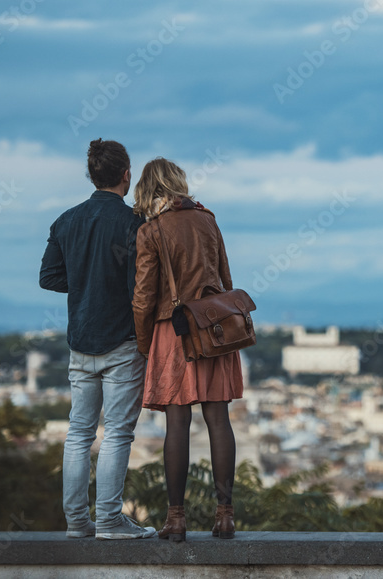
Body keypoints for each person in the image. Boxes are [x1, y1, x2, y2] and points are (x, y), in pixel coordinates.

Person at [39, 139, 156, 540]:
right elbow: (139, 289)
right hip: (121, 341)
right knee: (118, 433)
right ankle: (108, 520)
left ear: (92, 175)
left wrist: (86, 282)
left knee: (79, 432)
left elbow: (49, 277)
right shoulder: (133, 224)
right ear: (126, 176)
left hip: (80, 340)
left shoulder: (66, 220)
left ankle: (76, 522)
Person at [131, 157, 243, 542]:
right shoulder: (209, 220)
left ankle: (176, 520)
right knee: (219, 420)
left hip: (172, 332)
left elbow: (143, 298)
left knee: (177, 424)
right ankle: (225, 515)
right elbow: (226, 281)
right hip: (214, 329)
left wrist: (146, 347)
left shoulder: (151, 231)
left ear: (149, 190)